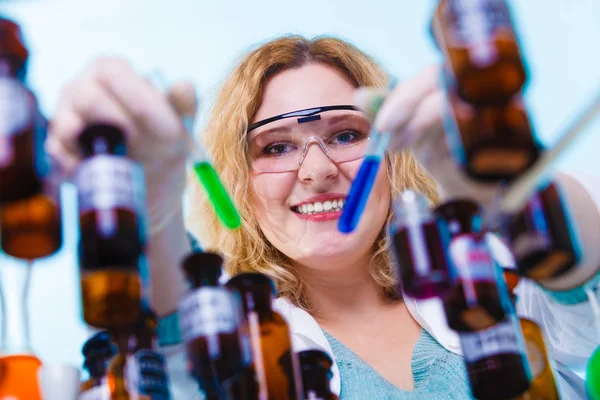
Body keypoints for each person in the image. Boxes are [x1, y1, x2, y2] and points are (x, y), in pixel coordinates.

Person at [47, 35, 600, 399]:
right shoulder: (240, 345)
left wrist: (503, 185)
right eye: (276, 148)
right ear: (235, 181)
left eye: (345, 135)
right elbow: (171, 360)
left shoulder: (497, 285)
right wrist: (153, 209)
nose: (316, 171)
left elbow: (580, 274)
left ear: (394, 152)